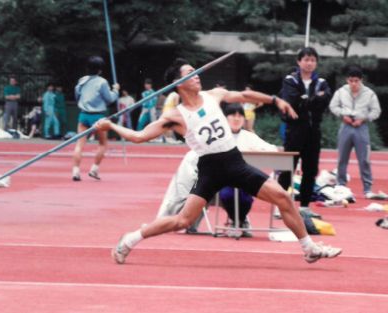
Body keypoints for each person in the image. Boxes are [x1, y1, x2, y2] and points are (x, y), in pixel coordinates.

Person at [95, 58, 342, 265]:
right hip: (210, 169)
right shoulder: (175, 115)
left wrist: (275, 100)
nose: (198, 76)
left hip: (235, 162)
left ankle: (308, 248)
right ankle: (130, 239)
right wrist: (110, 125)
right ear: (178, 84)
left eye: (197, 72)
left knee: (283, 197)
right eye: (191, 74)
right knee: (183, 220)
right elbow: (139, 137)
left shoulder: (213, 95)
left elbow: (244, 94)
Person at [157, 103, 278, 237]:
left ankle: (239, 221)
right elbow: (194, 157)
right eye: (232, 115)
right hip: (214, 184)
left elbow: (273, 150)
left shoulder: (249, 136)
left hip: (243, 184)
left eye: (240, 115)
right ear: (224, 119)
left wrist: (256, 151)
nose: (237, 119)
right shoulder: (215, 137)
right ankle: (169, 221)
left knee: (245, 195)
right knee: (224, 192)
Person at [277, 47, 332, 219]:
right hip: (294, 130)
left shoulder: (322, 82)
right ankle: (281, 206)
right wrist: (314, 99)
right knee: (288, 168)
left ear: (316, 63)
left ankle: (305, 207)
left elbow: (324, 102)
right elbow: (291, 101)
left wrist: (305, 100)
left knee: (311, 169)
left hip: (313, 131)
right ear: (299, 61)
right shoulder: (290, 80)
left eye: (313, 60)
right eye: (306, 59)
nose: (309, 63)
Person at [329, 66, 381, 198]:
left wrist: (364, 119)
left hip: (361, 126)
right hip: (346, 125)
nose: (353, 84)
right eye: (351, 81)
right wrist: (342, 115)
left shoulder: (369, 93)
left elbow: (376, 111)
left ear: (361, 80)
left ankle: (367, 189)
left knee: (364, 159)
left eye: (356, 81)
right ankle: (341, 185)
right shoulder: (341, 92)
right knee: (342, 158)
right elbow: (333, 106)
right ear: (347, 80)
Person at [72, 55, 120, 181]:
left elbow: (77, 95)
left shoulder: (82, 80)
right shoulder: (102, 82)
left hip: (84, 114)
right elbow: (110, 99)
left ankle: (76, 171)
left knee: (79, 144)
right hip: (98, 116)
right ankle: (94, 169)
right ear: (100, 70)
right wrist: (116, 91)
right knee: (103, 143)